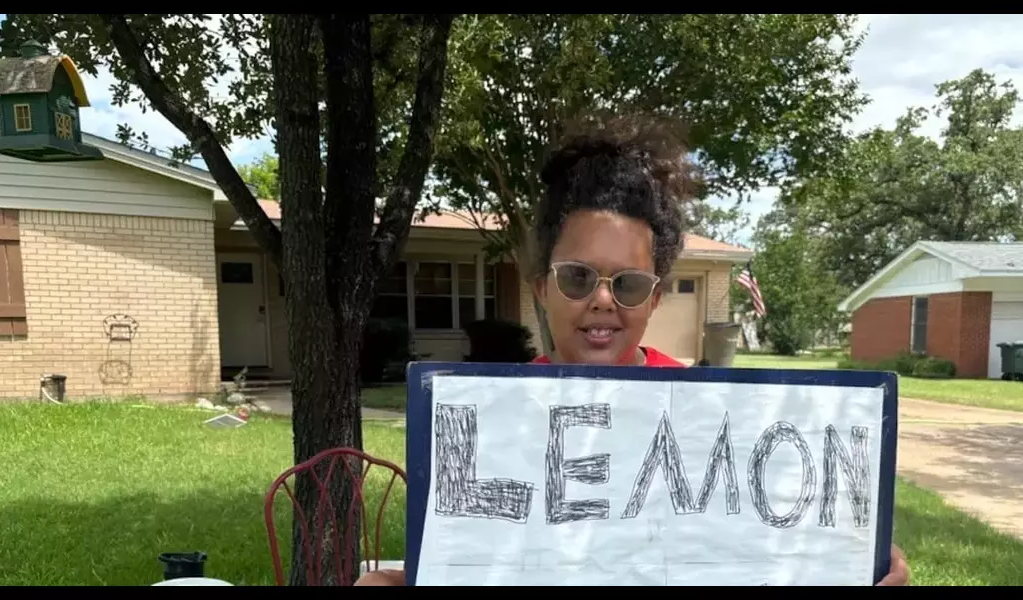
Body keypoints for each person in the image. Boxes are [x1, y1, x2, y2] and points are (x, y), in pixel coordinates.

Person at [356, 115, 911, 586]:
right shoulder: (491, 420)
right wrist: (401, 578)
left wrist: (854, 561)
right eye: (577, 278)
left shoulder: (713, 418)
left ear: (654, 299)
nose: (602, 300)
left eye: (627, 284)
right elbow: (476, 559)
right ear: (541, 288)